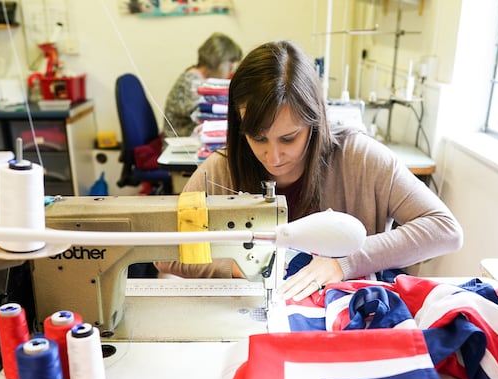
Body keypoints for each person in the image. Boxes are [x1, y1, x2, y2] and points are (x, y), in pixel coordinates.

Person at [157, 40, 463, 301]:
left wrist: (345, 262)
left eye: (289, 138)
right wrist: (234, 266)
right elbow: (163, 251)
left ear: (314, 123)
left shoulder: (360, 158)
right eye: (258, 138)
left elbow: (445, 230)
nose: (273, 157)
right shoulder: (221, 171)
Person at [162, 32, 242, 138]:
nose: (232, 66)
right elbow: (211, 116)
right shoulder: (190, 82)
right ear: (217, 60)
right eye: (230, 61)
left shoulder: (201, 80)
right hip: (181, 144)